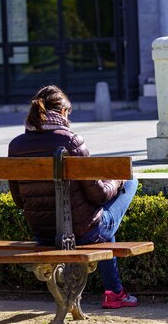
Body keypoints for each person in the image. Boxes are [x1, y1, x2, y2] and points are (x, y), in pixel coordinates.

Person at [8, 85, 138, 309]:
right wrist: (117, 180)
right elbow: (98, 195)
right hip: (82, 232)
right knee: (130, 182)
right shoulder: (71, 141)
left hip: (44, 234)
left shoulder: (16, 145)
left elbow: (19, 201)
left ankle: (115, 292)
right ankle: (114, 292)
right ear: (64, 112)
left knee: (104, 226)